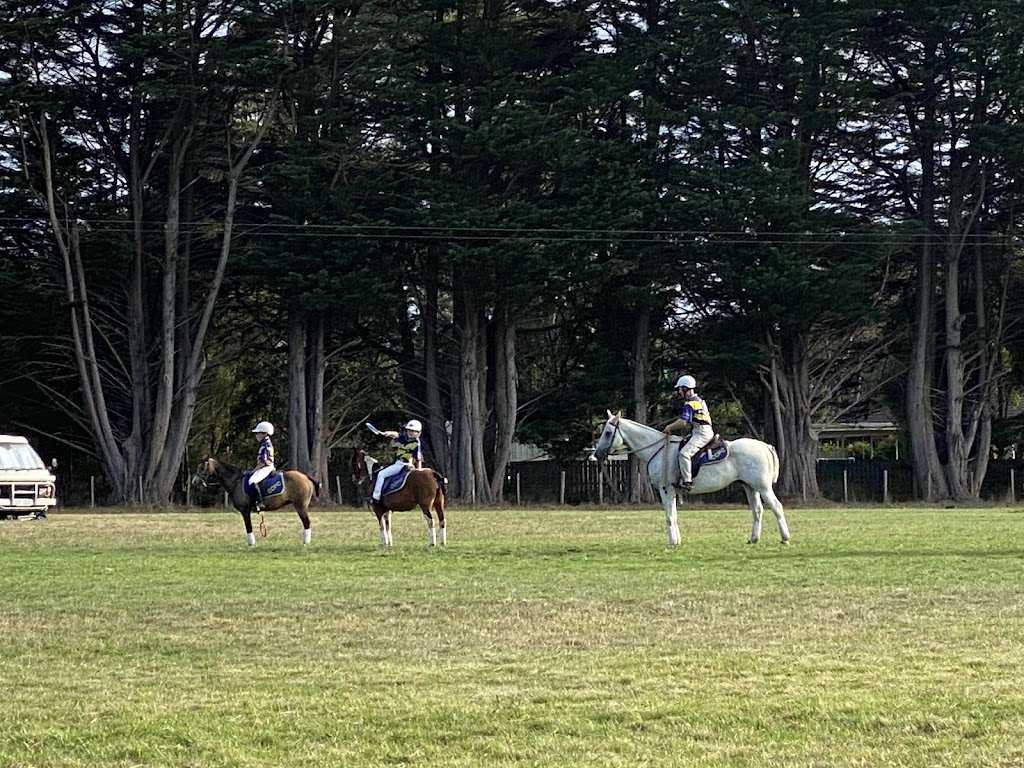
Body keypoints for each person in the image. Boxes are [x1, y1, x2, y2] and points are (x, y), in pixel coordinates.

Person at [663, 375, 713, 492]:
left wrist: (669, 427)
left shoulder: (689, 403)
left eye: (680, 389)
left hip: (701, 433)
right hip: (701, 430)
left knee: (684, 454)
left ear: (685, 389)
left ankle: (687, 481)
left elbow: (683, 422)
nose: (679, 392)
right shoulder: (699, 400)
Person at [371, 419, 424, 502]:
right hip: (399, 463)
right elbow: (396, 434)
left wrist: (419, 471)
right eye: (409, 430)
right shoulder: (404, 437)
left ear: (418, 433)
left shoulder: (416, 443)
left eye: (414, 431)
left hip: (404, 464)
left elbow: (418, 459)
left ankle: (376, 497)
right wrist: (387, 433)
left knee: (381, 474)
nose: (411, 432)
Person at [249, 421, 276, 511]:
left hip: (266, 468)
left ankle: (260, 503)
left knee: (252, 481)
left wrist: (254, 470)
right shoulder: (267, 443)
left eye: (258, 433)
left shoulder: (265, 445)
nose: (256, 435)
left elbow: (263, 462)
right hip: (268, 467)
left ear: (265, 434)